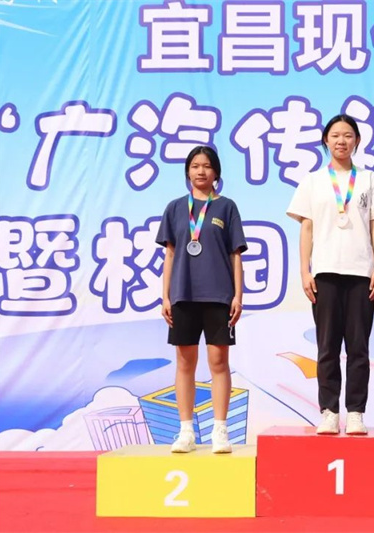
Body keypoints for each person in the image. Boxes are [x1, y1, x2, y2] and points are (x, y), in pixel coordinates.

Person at [287, 114, 374, 436]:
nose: (341, 141)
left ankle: (356, 412)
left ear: (357, 141)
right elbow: (307, 228)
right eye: (335, 135)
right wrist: (305, 270)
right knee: (327, 347)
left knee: (358, 348)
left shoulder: (369, 180)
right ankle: (329, 411)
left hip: (361, 273)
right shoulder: (312, 181)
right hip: (325, 274)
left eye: (348, 135)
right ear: (326, 141)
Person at [156, 145, 247, 454]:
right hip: (183, 294)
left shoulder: (226, 207)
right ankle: (186, 431)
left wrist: (237, 295)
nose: (200, 171)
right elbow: (170, 254)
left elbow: (235, 255)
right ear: (187, 171)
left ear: (216, 172)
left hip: (219, 296)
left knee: (219, 361)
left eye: (206, 166)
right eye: (195, 166)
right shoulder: (175, 208)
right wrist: (165, 295)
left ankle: (219, 430)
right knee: (185, 362)